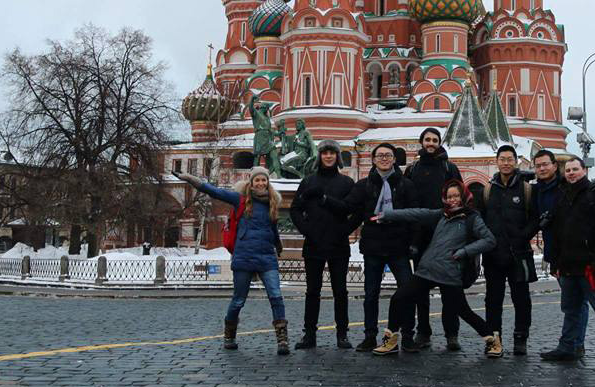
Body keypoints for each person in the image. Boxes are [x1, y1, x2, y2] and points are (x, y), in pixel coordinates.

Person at [369, 180, 502, 358]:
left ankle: (492, 340)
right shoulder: (441, 215)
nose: (453, 200)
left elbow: (489, 240)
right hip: (428, 269)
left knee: (463, 311)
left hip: (449, 272)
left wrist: (463, 252)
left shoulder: (472, 218)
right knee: (399, 298)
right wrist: (388, 214)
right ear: (444, 199)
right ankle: (391, 340)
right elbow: (415, 213)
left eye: (456, 196)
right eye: (449, 197)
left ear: (463, 196)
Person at [172, 166, 288, 354]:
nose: (260, 183)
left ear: (268, 182)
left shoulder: (272, 202)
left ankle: (282, 340)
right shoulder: (240, 199)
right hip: (244, 256)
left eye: (264, 180)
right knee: (238, 300)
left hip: (267, 257)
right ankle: (229, 336)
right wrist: (190, 179)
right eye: (257, 180)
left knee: (276, 296)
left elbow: (272, 228)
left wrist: (278, 245)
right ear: (251, 182)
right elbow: (214, 191)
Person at [541, 156, 595, 368]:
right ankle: (568, 347)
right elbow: (559, 232)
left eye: (575, 169)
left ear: (584, 170)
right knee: (571, 310)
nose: (571, 173)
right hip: (567, 266)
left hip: (589, 266)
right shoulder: (562, 196)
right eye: (568, 170)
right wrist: (556, 261)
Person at [346, 143, 418, 352]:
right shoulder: (364, 185)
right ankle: (370, 336)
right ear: (373, 159)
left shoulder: (406, 185)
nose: (384, 159)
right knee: (371, 294)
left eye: (388, 155)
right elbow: (350, 209)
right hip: (373, 248)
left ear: (395, 159)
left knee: (407, 292)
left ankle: (407, 336)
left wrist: (414, 242)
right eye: (380, 156)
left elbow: (414, 216)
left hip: (399, 246)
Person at [289, 139, 355, 349]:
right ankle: (309, 334)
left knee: (340, 291)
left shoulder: (346, 183)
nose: (328, 156)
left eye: (332, 153)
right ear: (320, 156)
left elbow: (352, 210)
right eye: (325, 153)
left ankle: (342, 334)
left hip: (338, 244)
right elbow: (294, 209)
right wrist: (306, 230)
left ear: (337, 157)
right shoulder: (308, 181)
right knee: (312, 292)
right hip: (314, 243)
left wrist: (345, 230)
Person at [403, 127, 463, 349]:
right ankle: (424, 332)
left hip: (446, 236)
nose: (431, 143)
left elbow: (461, 200)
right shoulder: (412, 169)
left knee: (450, 288)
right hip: (421, 237)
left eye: (434, 140)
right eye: (427, 140)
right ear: (421, 142)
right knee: (421, 288)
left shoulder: (449, 168)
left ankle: (451, 334)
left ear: (439, 142)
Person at [476, 144, 537, 357]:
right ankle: (495, 339)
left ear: (516, 161)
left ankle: (521, 338)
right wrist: (486, 240)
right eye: (502, 159)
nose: (506, 163)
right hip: (493, 255)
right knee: (492, 300)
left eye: (510, 159)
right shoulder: (488, 189)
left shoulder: (526, 189)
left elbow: (535, 219)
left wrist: (522, 237)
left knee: (522, 299)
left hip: (518, 254)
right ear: (497, 161)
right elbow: (480, 219)